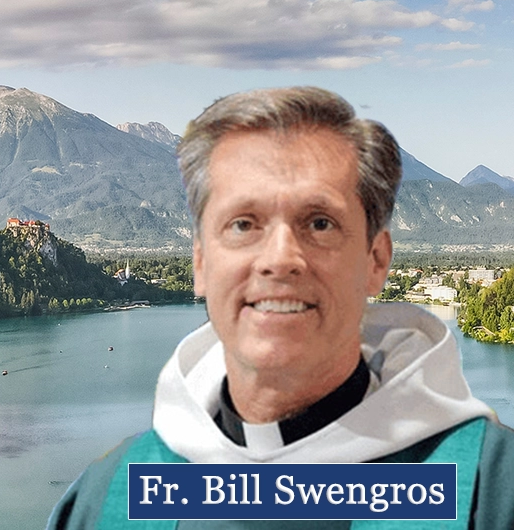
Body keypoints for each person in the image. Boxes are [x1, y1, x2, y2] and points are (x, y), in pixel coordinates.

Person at [48, 87, 514, 528]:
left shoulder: (490, 489)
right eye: (243, 223)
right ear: (202, 264)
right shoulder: (110, 499)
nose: (279, 259)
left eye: (319, 222)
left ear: (376, 260)